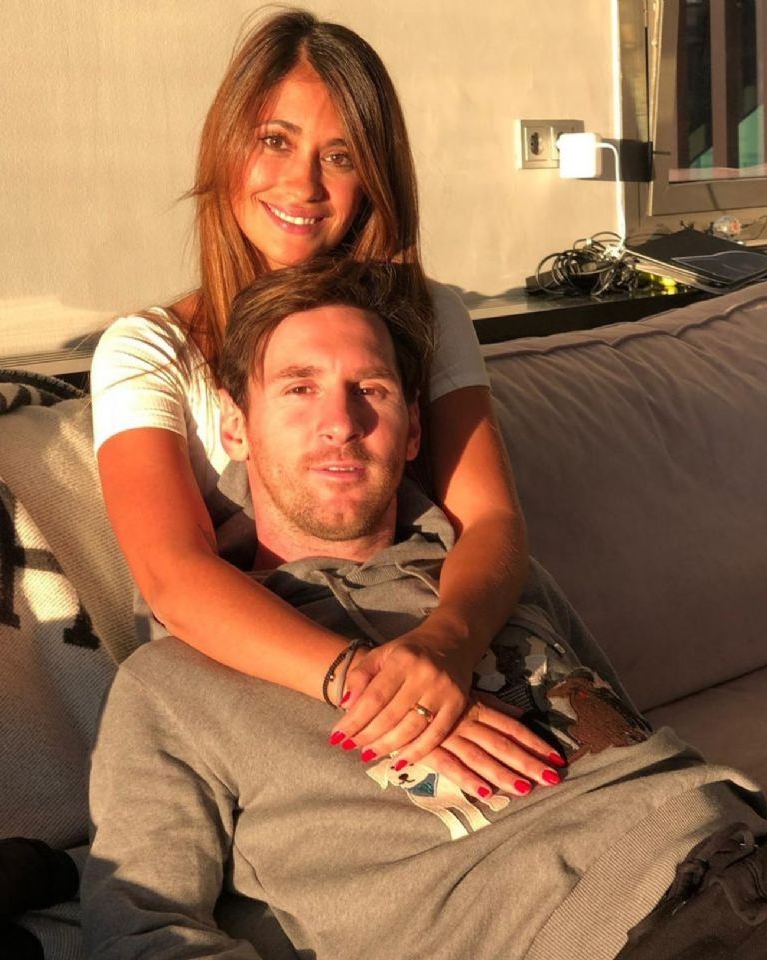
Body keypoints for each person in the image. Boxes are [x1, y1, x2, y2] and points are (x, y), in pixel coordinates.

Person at [83, 261, 767, 960]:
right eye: (299, 388)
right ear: (235, 427)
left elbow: (635, 742)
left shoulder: (495, 583)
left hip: (737, 840)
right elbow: (138, 926)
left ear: (412, 431)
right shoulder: (173, 685)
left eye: (370, 389)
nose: (340, 423)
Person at [89, 7, 527, 769]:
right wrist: (373, 686)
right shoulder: (151, 349)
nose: (303, 184)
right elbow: (171, 574)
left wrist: (445, 648)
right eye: (275, 141)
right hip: (265, 685)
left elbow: (489, 518)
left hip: (431, 639)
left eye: (342, 156)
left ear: (374, 180)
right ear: (228, 147)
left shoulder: (428, 313)